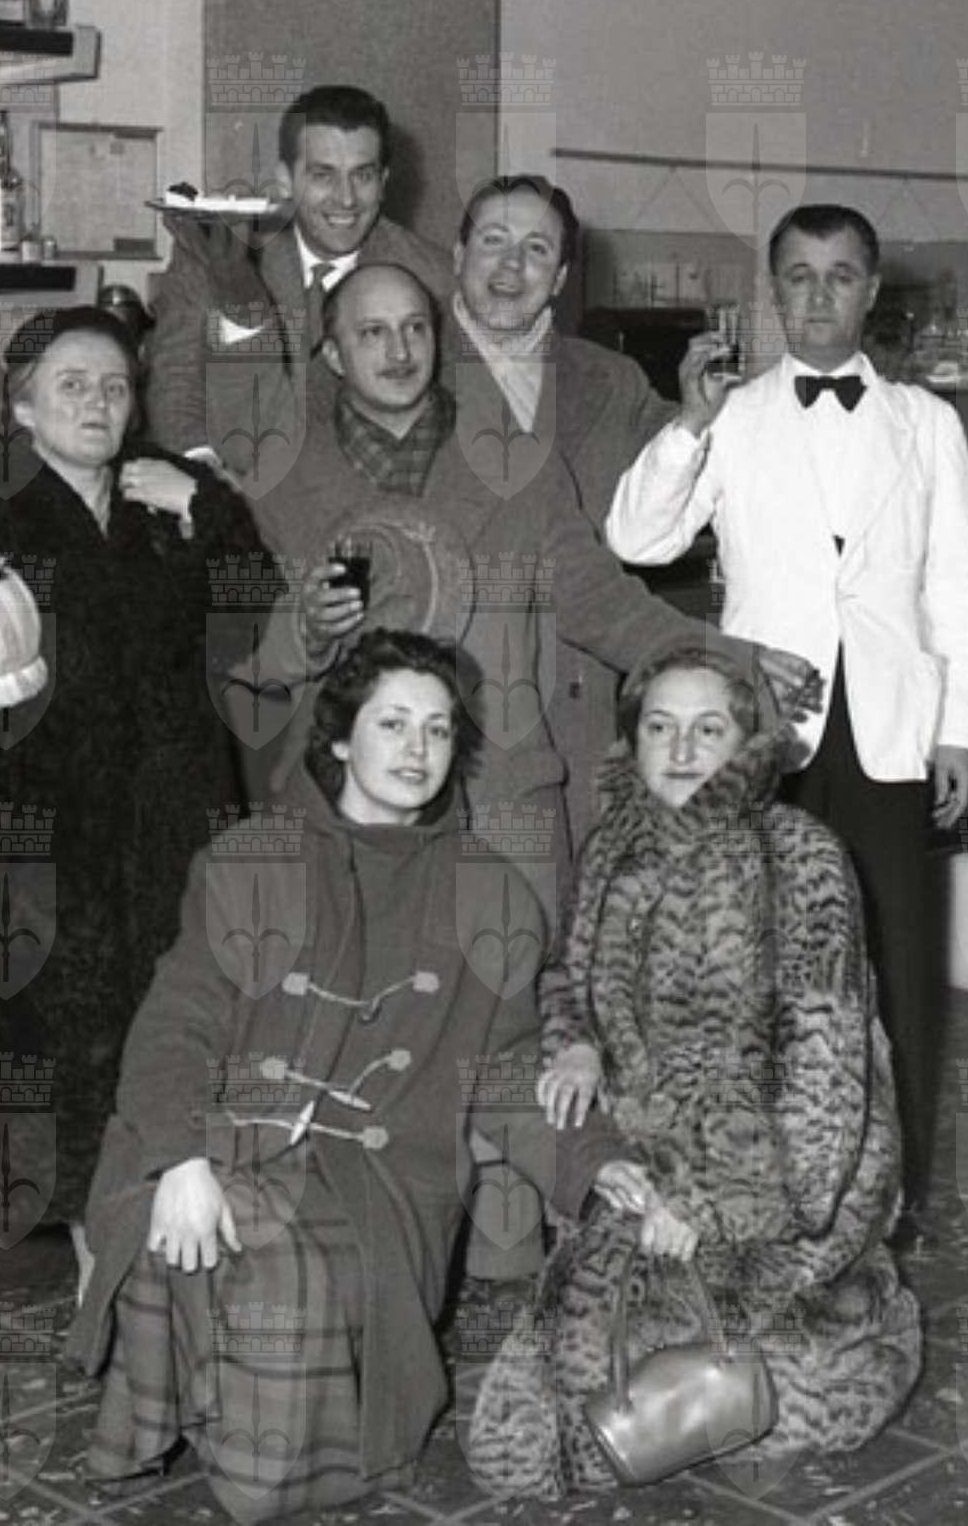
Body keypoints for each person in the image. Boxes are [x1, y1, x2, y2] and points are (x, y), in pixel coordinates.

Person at [72, 631, 691, 1523]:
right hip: (219, 1139)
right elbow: (174, 1024)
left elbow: (509, 1069)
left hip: (378, 1178)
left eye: (437, 730)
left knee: (278, 1284)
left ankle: (257, 1446)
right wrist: (178, 1159)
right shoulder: (253, 859)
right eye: (392, 724)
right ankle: (205, 1404)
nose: (416, 749)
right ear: (337, 738)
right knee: (182, 1229)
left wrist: (596, 1163)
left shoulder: (488, 893)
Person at [0, 306, 267, 1296]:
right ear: (21, 404)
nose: (98, 403)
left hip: (170, 835)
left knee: (176, 1039)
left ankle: (153, 1269)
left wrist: (208, 508)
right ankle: (103, 1282)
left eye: (115, 385)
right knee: (58, 1072)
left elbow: (250, 615)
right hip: (33, 851)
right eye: (71, 384)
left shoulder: (162, 499)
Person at [605, 204, 968, 1247]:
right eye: (799, 276)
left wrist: (956, 729)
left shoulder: (926, 424)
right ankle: (755, 1192)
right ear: (773, 292)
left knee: (893, 967)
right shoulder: (731, 415)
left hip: (889, 732)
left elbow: (957, 589)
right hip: (766, 732)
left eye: (840, 275)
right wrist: (688, 422)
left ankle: (888, 1199)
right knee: (757, 963)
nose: (818, 295)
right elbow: (636, 535)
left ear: (872, 291)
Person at [463, 644, 922, 1498]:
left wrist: (706, 1205)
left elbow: (823, 1091)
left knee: (658, 1406)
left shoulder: (799, 858)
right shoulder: (613, 847)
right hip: (646, 1173)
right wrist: (575, 1041)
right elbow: (564, 974)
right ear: (632, 739)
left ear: (747, 743)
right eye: (659, 727)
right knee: (522, 1438)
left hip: (784, 1198)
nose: (679, 750)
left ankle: (845, 1344)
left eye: (707, 729)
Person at [245, 260, 821, 906]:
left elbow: (601, 604)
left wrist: (725, 657)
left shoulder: (519, 466)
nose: (400, 351)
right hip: (350, 806)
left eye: (414, 328)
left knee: (521, 970)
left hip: (501, 801)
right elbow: (245, 660)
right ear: (331, 354)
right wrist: (305, 627)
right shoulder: (277, 485)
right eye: (372, 333)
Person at [445, 172, 679, 853]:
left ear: (561, 278)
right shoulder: (402, 368)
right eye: (493, 241)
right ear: (457, 256)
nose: (511, 266)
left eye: (537, 249)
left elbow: (700, 470)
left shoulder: (613, 382)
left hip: (580, 721)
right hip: (452, 722)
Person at [144, 84, 453, 480]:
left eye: (363, 175)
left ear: (384, 180)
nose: (346, 199)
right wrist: (206, 475)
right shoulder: (213, 252)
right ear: (285, 180)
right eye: (323, 175)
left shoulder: (432, 276)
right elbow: (175, 381)